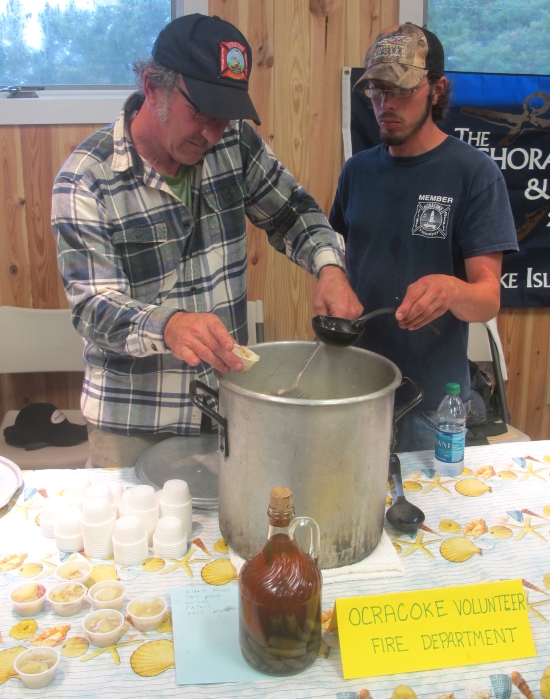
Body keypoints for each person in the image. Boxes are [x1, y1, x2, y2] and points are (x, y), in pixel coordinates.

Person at [51, 14, 362, 468]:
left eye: (224, 116)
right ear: (152, 86)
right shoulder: (86, 179)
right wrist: (169, 325)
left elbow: (292, 210)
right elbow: (93, 307)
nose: (212, 133)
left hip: (223, 407)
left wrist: (330, 267)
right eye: (201, 114)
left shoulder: (232, 142)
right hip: (133, 420)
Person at [329, 22, 518, 451]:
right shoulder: (357, 171)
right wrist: (331, 282)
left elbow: (488, 298)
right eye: (377, 90)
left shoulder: (474, 173)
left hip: (430, 404)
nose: (385, 104)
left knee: (427, 517)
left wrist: (451, 290)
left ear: (437, 88)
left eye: (401, 90)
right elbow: (340, 256)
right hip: (356, 391)